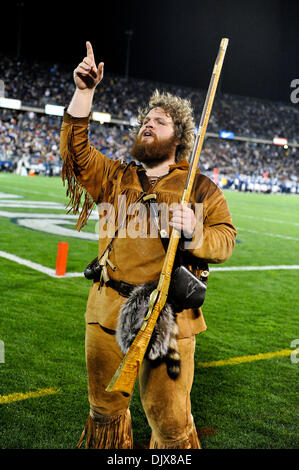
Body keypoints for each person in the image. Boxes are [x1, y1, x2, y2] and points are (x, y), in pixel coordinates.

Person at [60, 42, 236, 449]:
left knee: (172, 424)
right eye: (146, 120)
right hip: (106, 309)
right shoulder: (115, 176)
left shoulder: (199, 186)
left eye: (159, 121)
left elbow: (225, 239)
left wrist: (195, 230)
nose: (148, 125)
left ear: (179, 139)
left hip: (169, 319)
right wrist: (84, 92)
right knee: (103, 411)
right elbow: (75, 154)